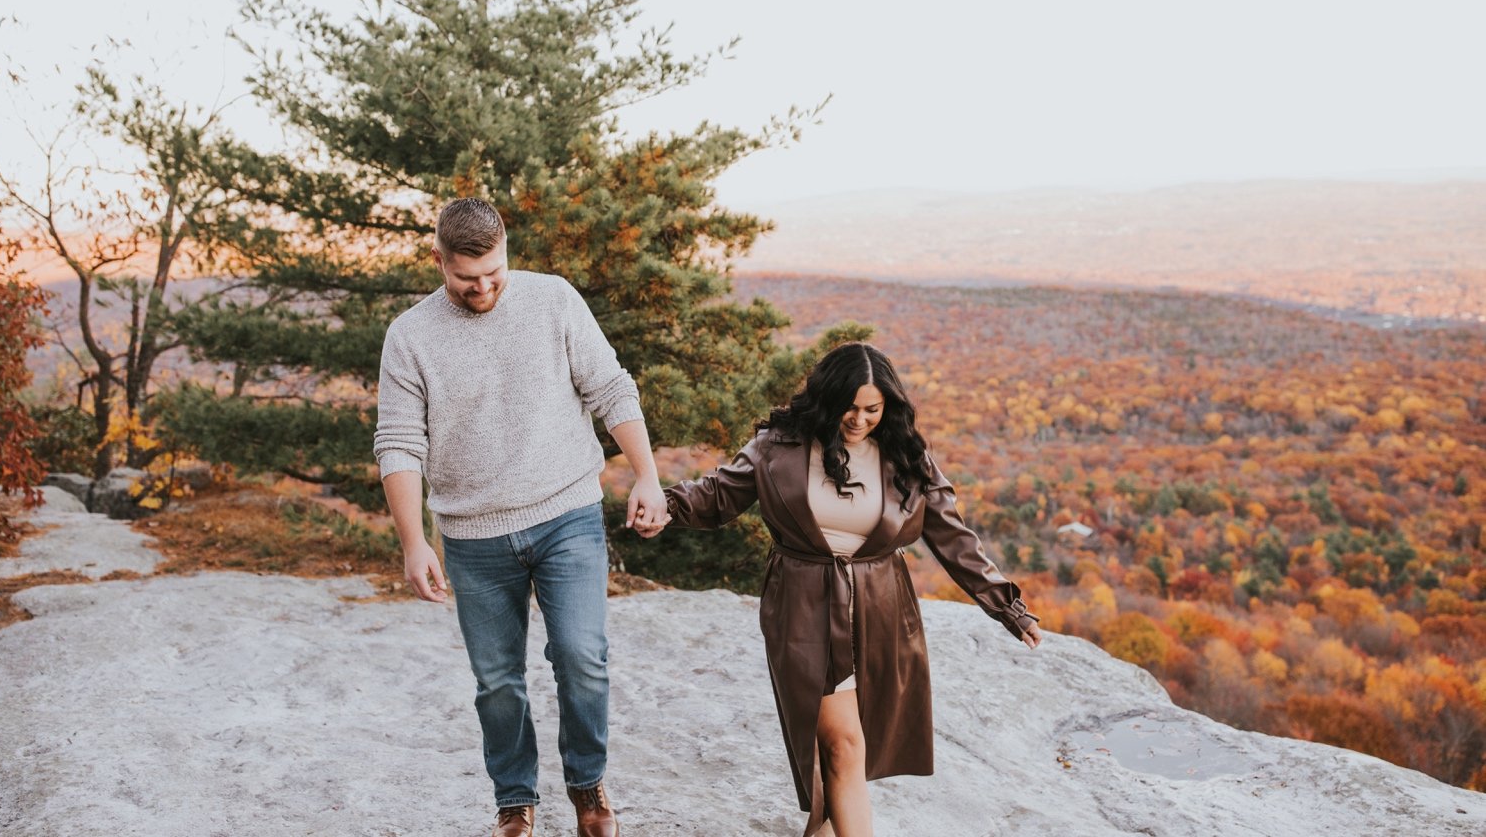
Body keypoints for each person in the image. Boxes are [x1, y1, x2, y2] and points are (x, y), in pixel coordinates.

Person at [659, 342, 1042, 837]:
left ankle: (822, 828)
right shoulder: (779, 446)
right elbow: (715, 496)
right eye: (850, 407)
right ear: (826, 397)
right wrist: (663, 505)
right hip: (803, 607)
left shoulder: (906, 454)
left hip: (882, 611)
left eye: (872, 410)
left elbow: (952, 536)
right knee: (844, 744)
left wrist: (1008, 607)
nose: (859, 420)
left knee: (849, 745)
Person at [374, 197, 666, 837]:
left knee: (582, 657)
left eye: (495, 274)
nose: (483, 289)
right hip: (473, 537)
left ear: (508, 252)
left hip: (567, 514)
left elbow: (610, 386)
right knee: (497, 682)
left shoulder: (554, 300)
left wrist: (645, 473)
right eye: (466, 278)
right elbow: (398, 443)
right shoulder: (411, 335)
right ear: (438, 261)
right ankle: (515, 802)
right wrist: (413, 541)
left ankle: (588, 788)